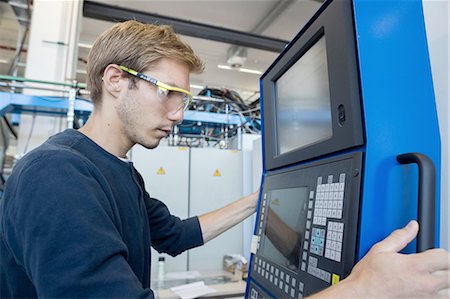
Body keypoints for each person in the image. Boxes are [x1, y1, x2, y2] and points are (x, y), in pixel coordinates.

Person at [0, 20, 448, 298]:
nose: (178, 113)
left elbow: (177, 234)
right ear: (115, 80)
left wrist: (263, 197)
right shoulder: (57, 174)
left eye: (185, 99)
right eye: (169, 93)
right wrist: (361, 290)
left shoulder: (119, 173)